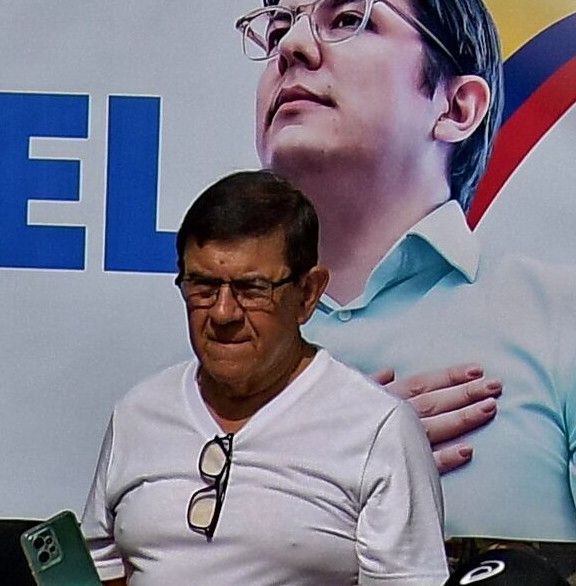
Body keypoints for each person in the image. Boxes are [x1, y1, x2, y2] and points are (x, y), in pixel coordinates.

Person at [250, 0, 576, 536]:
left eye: (347, 19)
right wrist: (314, 469)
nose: (290, 47)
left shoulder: (574, 314)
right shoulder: (223, 330)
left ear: (457, 107)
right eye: (276, 31)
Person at [84, 169, 449, 586]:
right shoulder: (138, 414)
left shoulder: (377, 430)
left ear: (307, 294)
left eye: (251, 289)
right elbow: (100, 569)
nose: (223, 313)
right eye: (203, 286)